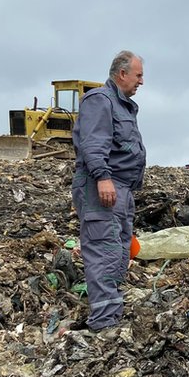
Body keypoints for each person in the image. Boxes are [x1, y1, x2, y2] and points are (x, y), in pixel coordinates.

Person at [71, 50, 146, 335]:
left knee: (118, 250)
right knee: (103, 249)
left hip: (121, 190)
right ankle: (103, 323)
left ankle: (111, 316)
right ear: (122, 73)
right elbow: (94, 142)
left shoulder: (123, 106)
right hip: (103, 186)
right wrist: (102, 177)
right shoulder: (100, 101)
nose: (141, 82)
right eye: (138, 75)